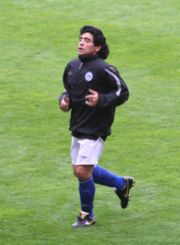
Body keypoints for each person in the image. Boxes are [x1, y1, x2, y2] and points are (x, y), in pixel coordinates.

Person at [59, 25, 134, 228]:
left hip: (96, 127)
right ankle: (122, 184)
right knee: (80, 171)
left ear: (98, 47)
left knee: (83, 171)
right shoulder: (72, 67)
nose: (81, 42)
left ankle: (87, 215)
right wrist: (64, 101)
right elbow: (68, 91)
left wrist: (101, 99)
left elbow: (122, 92)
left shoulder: (104, 69)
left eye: (87, 40)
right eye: (80, 38)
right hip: (78, 125)